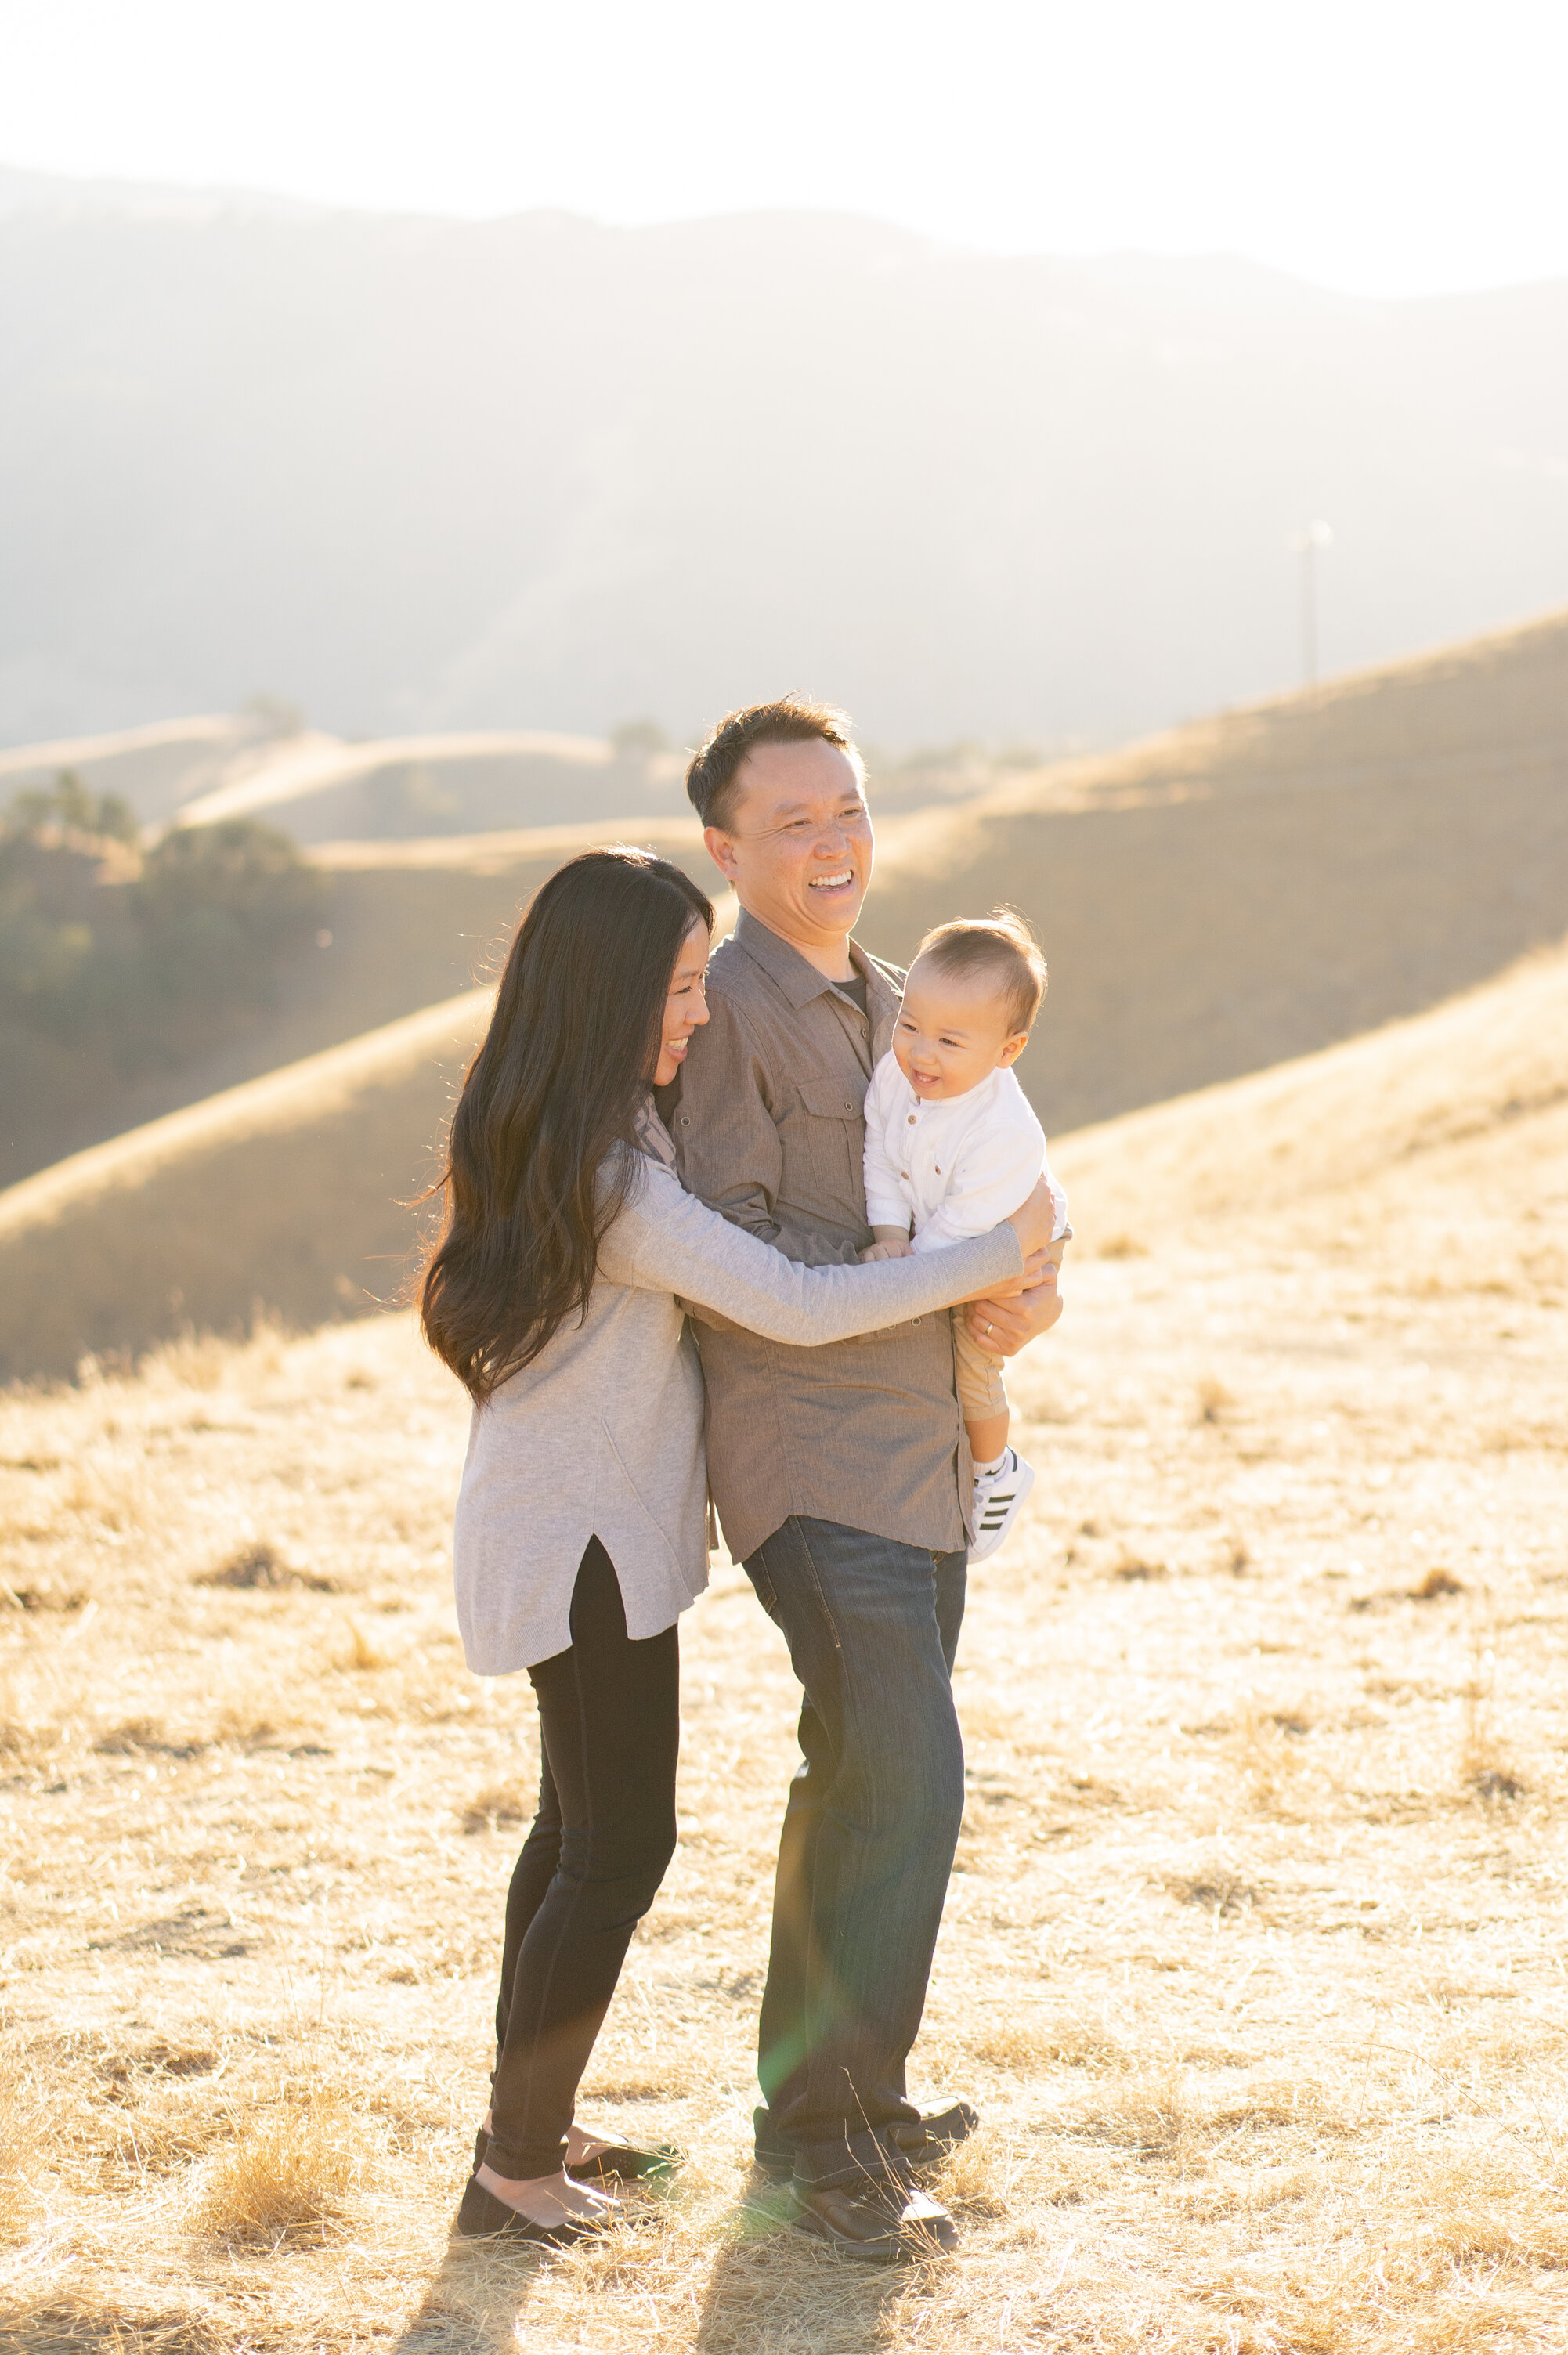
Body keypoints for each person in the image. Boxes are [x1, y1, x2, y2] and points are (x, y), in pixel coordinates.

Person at [420, 846, 1054, 2249]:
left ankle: (525, 2131)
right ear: (605, 999)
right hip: (578, 1540)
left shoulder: (582, 1133)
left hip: (575, 1533)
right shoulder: (608, 1173)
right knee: (615, 1845)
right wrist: (994, 1252)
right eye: (683, 990)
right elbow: (787, 1302)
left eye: (706, 986)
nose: (700, 1017)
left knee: (575, 1834)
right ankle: (514, 2172)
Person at [668, 698, 1065, 2264]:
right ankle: (829, 2149)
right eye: (790, 823)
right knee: (902, 1770)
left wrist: (1029, 1280)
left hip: (915, 1460)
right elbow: (741, 1258)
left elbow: (1003, 1190)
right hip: (807, 1455)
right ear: (725, 849)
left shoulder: (910, 1000)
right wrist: (957, 1269)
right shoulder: (729, 1015)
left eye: (846, 810)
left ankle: (841, 2104)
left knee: (863, 1777)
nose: (831, 844)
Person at [861, 909, 1067, 1564]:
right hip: (945, 1230)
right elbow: (880, 1152)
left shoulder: (1003, 1130)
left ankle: (994, 1470)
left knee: (976, 1349)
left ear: (1007, 1053)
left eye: (950, 1043)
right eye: (909, 1025)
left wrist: (912, 1269)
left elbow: (966, 1230)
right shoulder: (897, 1076)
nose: (920, 1052)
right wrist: (890, 1234)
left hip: (1007, 1228)